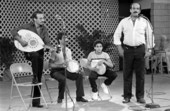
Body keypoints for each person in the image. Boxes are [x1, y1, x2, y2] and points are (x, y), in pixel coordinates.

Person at [113, 3, 155, 104]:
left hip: (140, 49)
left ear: (140, 11)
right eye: (133, 8)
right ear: (130, 10)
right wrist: (119, 48)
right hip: (127, 50)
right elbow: (116, 35)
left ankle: (140, 97)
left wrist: (149, 50)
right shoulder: (124, 21)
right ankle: (127, 96)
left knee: (140, 74)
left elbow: (150, 36)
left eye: (137, 8)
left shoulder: (145, 22)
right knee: (127, 74)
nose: (135, 10)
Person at [11, 10, 52, 108]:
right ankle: (34, 77)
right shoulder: (27, 26)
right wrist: (20, 40)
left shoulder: (44, 29)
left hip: (40, 54)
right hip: (29, 53)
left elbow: (47, 42)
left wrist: (48, 47)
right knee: (34, 56)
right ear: (34, 19)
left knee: (38, 76)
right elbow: (13, 31)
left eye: (43, 18)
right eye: (41, 18)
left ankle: (36, 102)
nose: (43, 20)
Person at [49, 32, 88, 103]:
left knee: (79, 76)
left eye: (67, 38)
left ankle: (79, 97)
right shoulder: (55, 50)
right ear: (59, 40)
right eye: (64, 38)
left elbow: (70, 63)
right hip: (56, 71)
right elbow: (50, 65)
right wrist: (60, 65)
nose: (66, 39)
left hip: (66, 70)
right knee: (62, 79)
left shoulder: (68, 50)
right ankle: (60, 98)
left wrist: (76, 69)